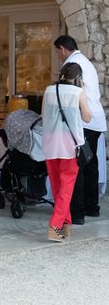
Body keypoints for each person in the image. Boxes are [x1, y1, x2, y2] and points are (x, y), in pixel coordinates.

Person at [54, 35, 106, 224]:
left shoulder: (71, 64)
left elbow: (70, 95)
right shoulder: (85, 61)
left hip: (82, 121)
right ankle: (92, 207)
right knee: (90, 164)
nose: (58, 56)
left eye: (57, 52)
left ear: (62, 48)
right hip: (95, 119)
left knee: (77, 167)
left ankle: (77, 213)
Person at [41, 62, 92, 242]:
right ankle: (55, 226)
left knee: (57, 186)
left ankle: (66, 224)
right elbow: (87, 117)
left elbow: (43, 117)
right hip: (70, 146)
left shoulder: (48, 90)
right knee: (66, 188)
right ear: (77, 78)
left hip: (50, 144)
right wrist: (83, 94)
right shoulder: (78, 92)